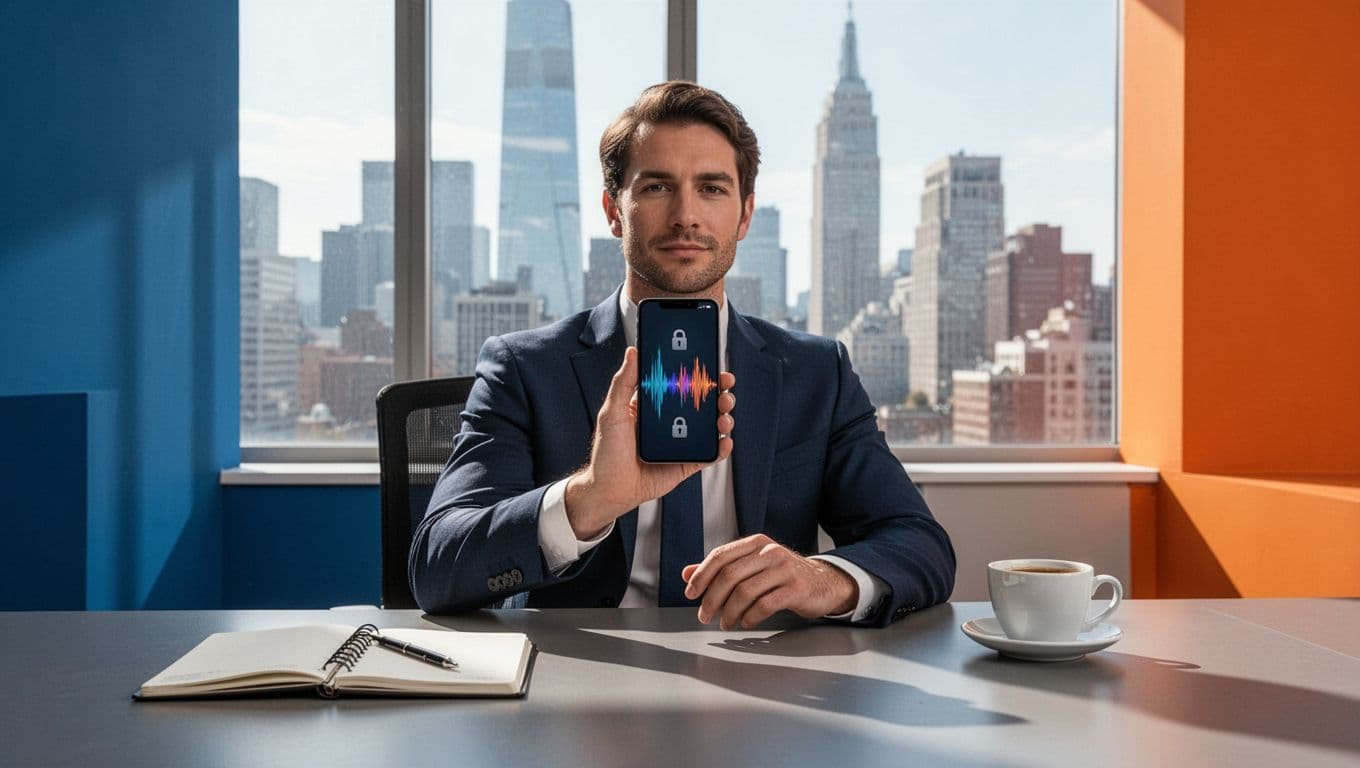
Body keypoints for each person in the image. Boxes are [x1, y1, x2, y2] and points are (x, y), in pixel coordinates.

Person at [410, 81, 954, 628]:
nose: (685, 216)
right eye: (657, 187)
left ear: (745, 216)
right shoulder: (523, 368)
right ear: (614, 212)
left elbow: (920, 544)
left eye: (712, 189)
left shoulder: (817, 373)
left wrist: (822, 579)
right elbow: (436, 567)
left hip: (771, 679)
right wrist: (591, 497)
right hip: (580, 686)